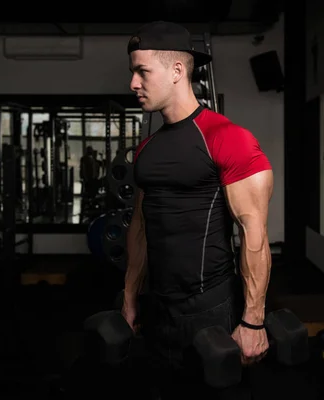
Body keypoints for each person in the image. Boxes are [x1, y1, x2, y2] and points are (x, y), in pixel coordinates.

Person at [121, 21, 274, 399]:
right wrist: (129, 297)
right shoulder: (146, 150)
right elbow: (140, 228)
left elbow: (253, 233)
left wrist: (253, 320)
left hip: (211, 307)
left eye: (142, 72)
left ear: (176, 71)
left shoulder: (227, 138)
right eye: (132, 73)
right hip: (158, 306)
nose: (133, 84)